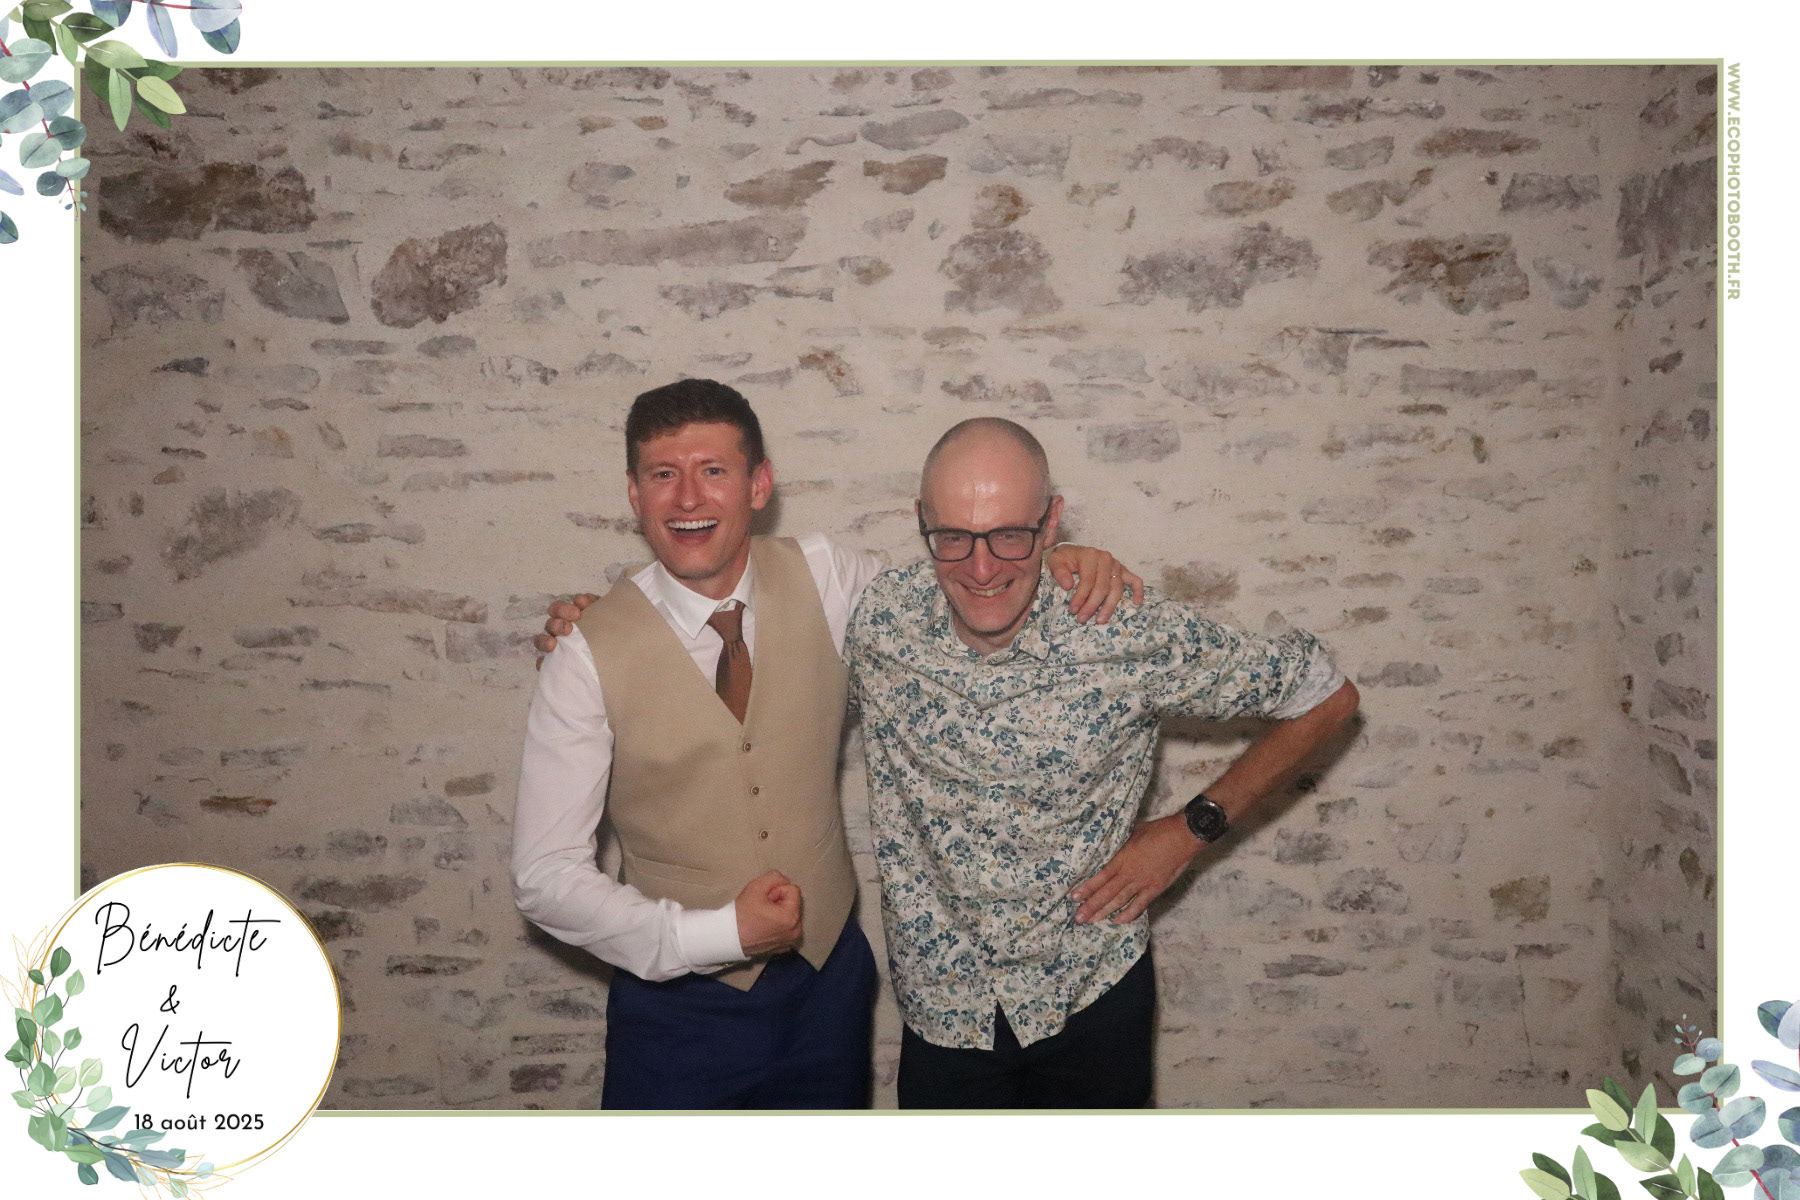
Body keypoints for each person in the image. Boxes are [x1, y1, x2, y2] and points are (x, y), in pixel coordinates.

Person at [514, 380, 1140, 1110]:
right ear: (633, 493)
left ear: (759, 485)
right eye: (662, 474)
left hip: (828, 994)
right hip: (675, 1014)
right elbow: (544, 875)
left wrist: (1062, 556)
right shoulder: (584, 652)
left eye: (713, 470)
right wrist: (713, 935)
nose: (688, 498)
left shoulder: (829, 576)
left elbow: (967, 586)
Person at [846, 417, 1360, 1109]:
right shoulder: (880, 621)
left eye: (1010, 534)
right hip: (945, 1015)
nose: (982, 567)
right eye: (954, 537)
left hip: (1092, 998)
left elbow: (1326, 697)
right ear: (922, 523)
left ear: (1051, 520)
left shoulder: (1120, 626)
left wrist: (1192, 829)